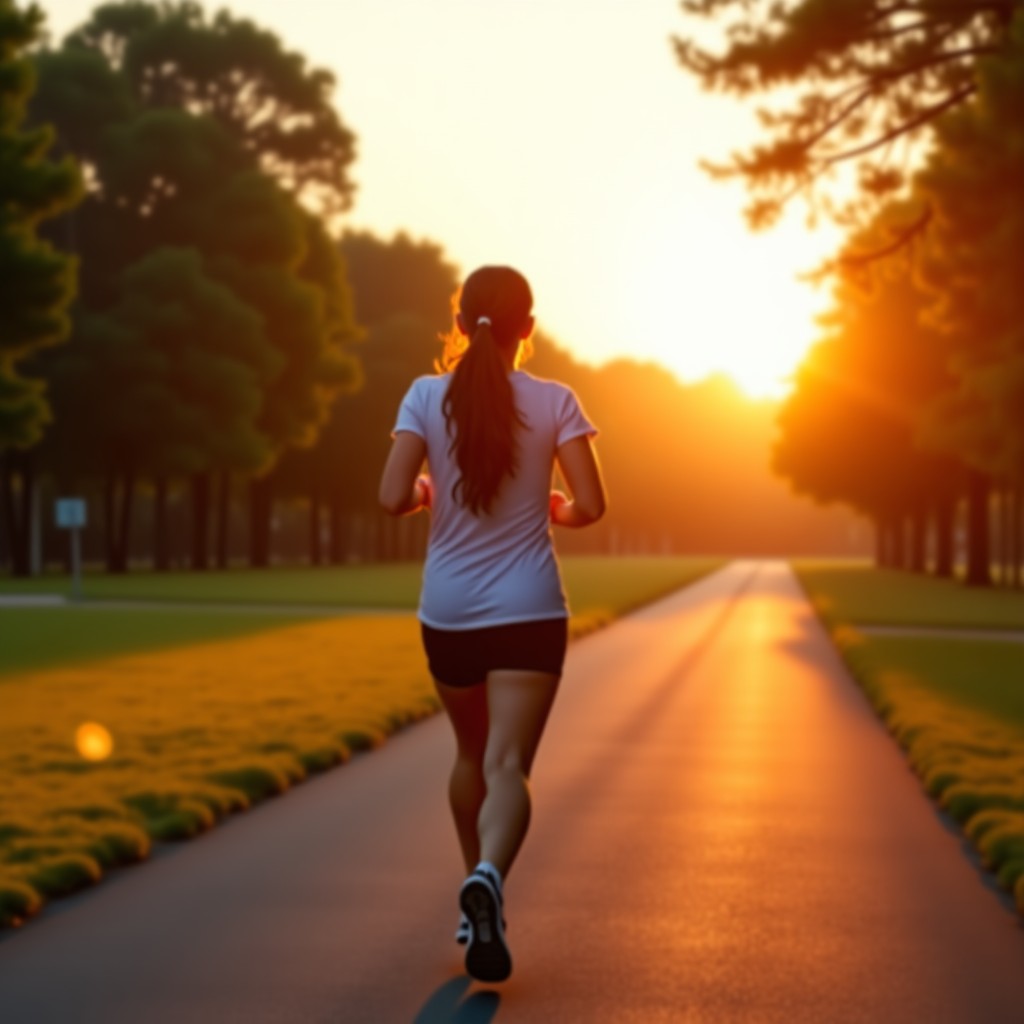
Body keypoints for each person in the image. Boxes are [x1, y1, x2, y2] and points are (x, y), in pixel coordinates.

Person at [379, 265, 606, 983]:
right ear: (527, 329)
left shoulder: (423, 394)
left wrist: (427, 492)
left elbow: (391, 496)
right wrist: (552, 510)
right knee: (510, 765)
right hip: (529, 610)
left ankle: (480, 890)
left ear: (460, 322)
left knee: (469, 756)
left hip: (448, 614)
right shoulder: (556, 400)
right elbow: (590, 504)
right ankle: (488, 875)